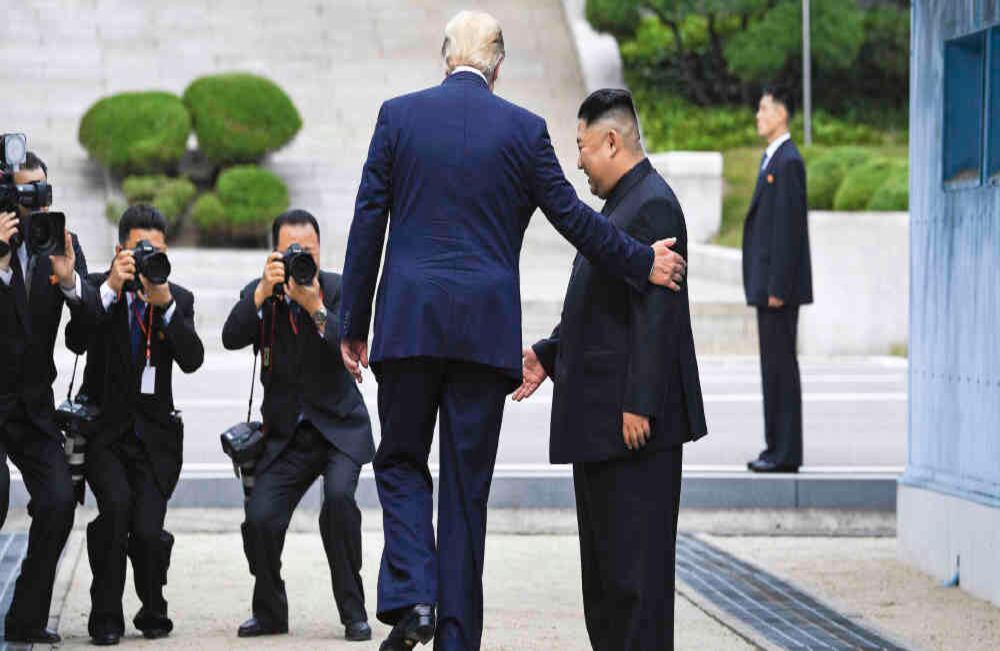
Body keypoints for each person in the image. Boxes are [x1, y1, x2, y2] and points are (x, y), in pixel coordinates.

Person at [338, 11, 687, 651]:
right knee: (466, 493)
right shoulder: (524, 131)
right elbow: (575, 218)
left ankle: (414, 593)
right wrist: (643, 261)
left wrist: (352, 322)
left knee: (401, 461)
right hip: (484, 340)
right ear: (497, 67)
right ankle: (456, 640)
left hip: (409, 328)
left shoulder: (397, 117)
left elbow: (368, 222)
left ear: (446, 57)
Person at [516, 89, 707, 651]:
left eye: (581, 146)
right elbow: (601, 306)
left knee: (635, 582)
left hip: (633, 430)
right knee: (606, 581)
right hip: (603, 426)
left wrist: (640, 403)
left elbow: (657, 313)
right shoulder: (623, 203)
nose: (578, 161)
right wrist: (550, 353)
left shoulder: (653, 204)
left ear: (611, 141)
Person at [222, 209, 374, 643]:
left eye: (309, 250)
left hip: (339, 429)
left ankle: (353, 612)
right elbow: (231, 337)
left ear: (320, 250)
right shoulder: (263, 293)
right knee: (260, 519)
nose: (301, 258)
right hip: (287, 434)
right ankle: (270, 611)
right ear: (275, 253)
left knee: (338, 504)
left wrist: (315, 308)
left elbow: (349, 347)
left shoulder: (340, 289)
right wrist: (260, 294)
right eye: (291, 251)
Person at [64, 204, 204, 645]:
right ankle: (105, 615)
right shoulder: (97, 288)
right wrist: (110, 287)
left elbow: (193, 359)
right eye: (139, 250)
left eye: (156, 252)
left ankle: (153, 606)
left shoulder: (177, 297)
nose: (147, 260)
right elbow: (75, 339)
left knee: (146, 529)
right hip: (104, 434)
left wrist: (167, 307)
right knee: (116, 510)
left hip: (155, 440)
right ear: (119, 251)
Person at [0, 151, 98, 644]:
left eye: (44, 193)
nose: (37, 205)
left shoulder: (59, 244)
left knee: (59, 500)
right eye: (26, 195)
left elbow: (86, 335)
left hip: (33, 407)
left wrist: (74, 284)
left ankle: (26, 616)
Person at [742, 85, 813, 474]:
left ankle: (784, 453)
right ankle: (775, 448)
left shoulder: (788, 162)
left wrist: (778, 288)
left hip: (777, 291)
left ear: (782, 114)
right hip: (768, 286)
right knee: (773, 370)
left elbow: (789, 230)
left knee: (781, 369)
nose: (759, 115)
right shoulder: (773, 159)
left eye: (765, 108)